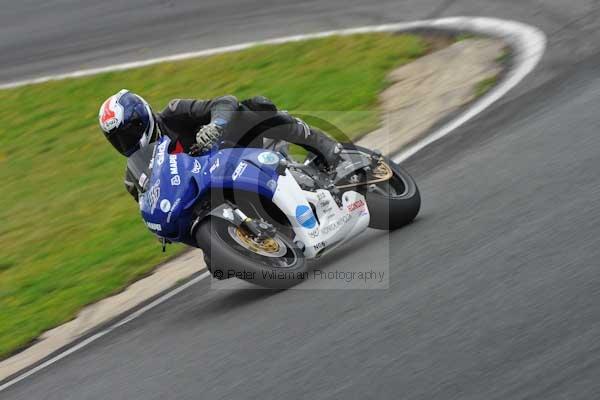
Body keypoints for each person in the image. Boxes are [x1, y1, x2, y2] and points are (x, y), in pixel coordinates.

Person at [98, 89, 341, 200]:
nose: (125, 142)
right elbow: (153, 209)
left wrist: (215, 126)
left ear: (143, 119)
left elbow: (225, 101)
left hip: (238, 150)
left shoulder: (174, 112)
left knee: (255, 108)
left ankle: (326, 148)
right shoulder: (134, 175)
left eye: (128, 133)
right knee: (216, 262)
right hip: (213, 192)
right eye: (118, 139)